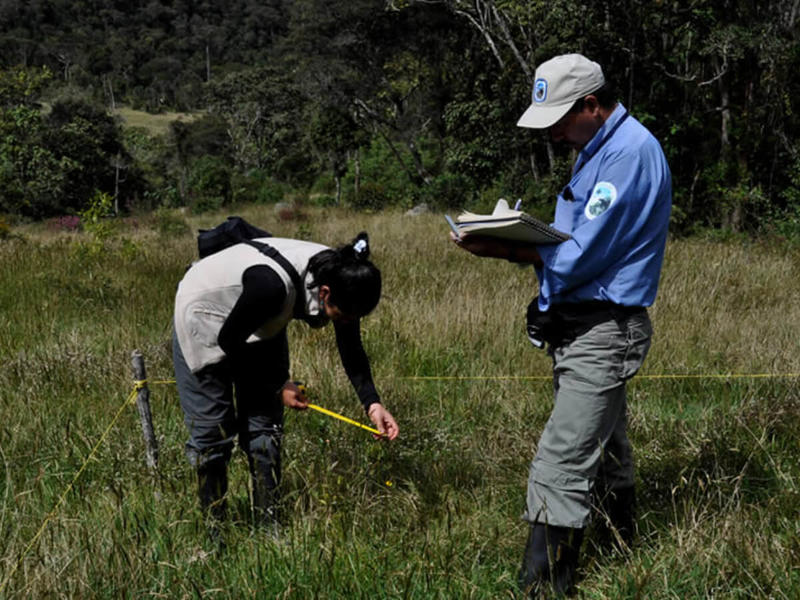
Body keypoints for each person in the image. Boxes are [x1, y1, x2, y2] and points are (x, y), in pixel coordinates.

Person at [451, 53, 671, 596]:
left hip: (605, 328)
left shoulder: (627, 155)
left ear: (591, 106)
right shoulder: (594, 149)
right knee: (605, 443)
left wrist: (504, 248)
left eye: (558, 121)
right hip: (581, 325)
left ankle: (544, 585)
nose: (551, 133)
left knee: (562, 457)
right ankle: (623, 543)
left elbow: (580, 254)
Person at [173, 230, 399, 540]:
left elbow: (351, 347)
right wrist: (279, 384)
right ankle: (216, 532)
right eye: (343, 316)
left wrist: (373, 404)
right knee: (213, 435)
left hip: (259, 316)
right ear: (325, 293)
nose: (345, 322)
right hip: (205, 315)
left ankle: (269, 526)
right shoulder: (273, 288)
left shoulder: (346, 277)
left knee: (265, 430)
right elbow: (229, 340)